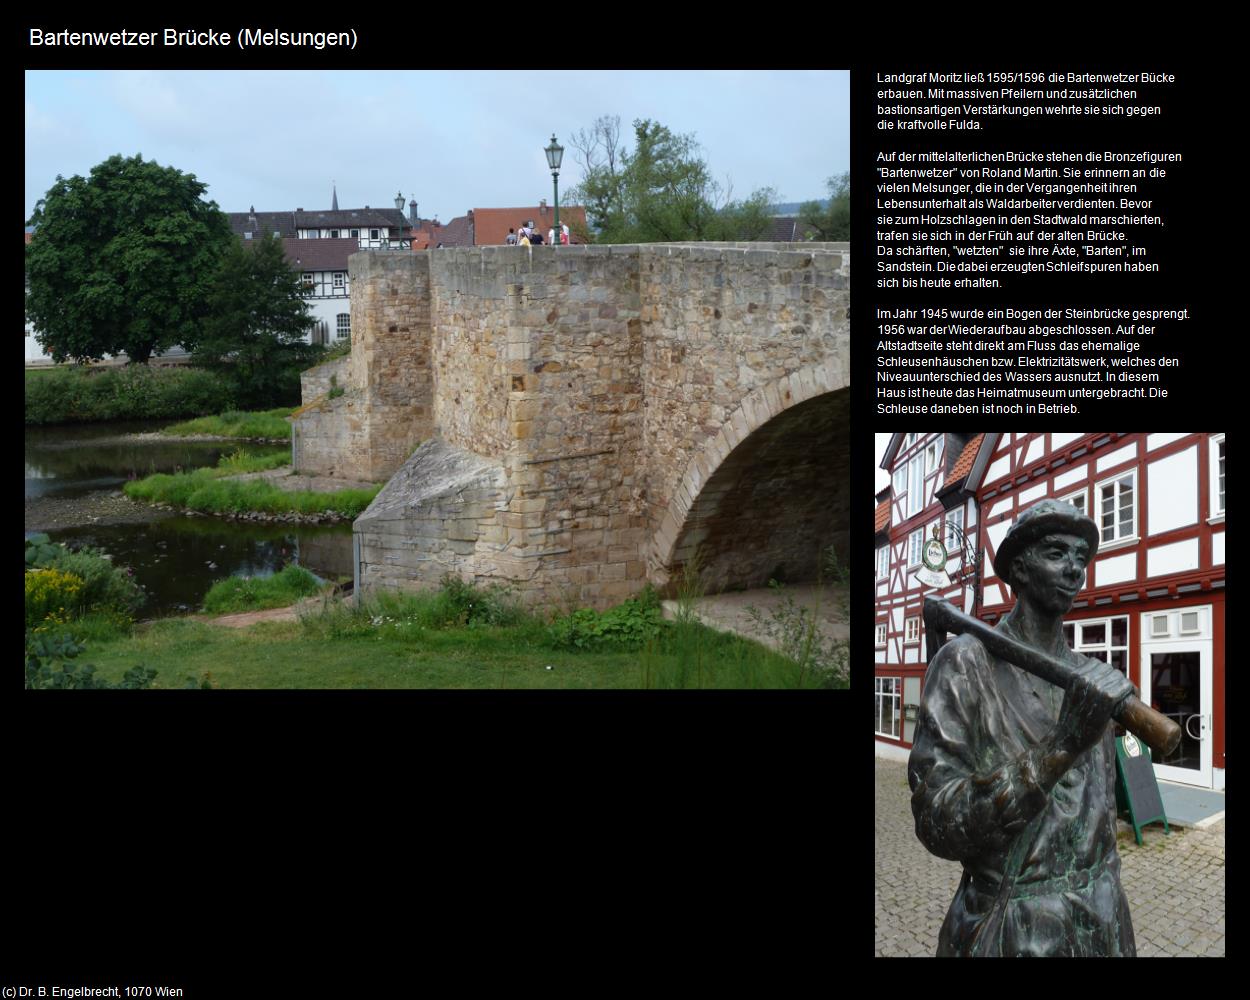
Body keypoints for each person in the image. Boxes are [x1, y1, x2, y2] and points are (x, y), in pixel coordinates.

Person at [908, 499, 1138, 957]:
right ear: (1018, 569)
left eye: (1082, 558)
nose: (1074, 569)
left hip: (1103, 921)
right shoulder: (965, 666)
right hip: (1014, 927)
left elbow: (1098, 823)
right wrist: (1059, 748)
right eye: (1056, 553)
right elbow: (938, 823)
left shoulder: (1093, 678)